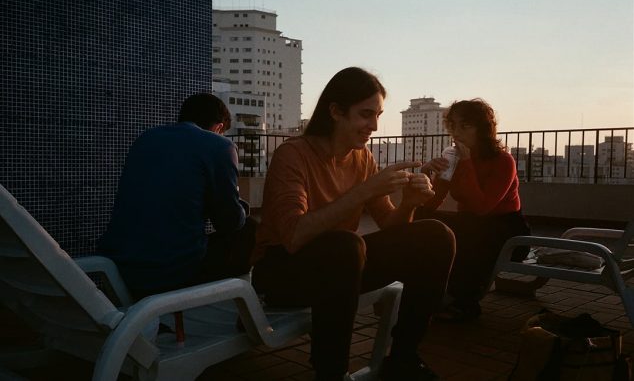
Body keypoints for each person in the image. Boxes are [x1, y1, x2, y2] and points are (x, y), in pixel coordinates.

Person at [250, 67, 456, 381]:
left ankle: (402, 359)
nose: (373, 125)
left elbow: (390, 224)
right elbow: (294, 236)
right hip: (281, 273)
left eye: (378, 115)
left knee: (436, 236)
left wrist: (410, 204)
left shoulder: (362, 160)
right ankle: (330, 373)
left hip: (339, 268)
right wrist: (365, 190)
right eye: (365, 114)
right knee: (346, 245)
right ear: (335, 111)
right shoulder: (292, 155)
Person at [98, 93, 253, 300]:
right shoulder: (219, 146)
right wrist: (242, 208)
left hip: (117, 267)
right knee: (251, 231)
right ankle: (243, 312)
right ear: (219, 126)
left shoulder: (147, 138)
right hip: (169, 272)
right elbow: (229, 222)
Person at [416, 98, 530, 321]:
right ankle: (422, 287)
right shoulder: (454, 159)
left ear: (482, 129)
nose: (456, 133)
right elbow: (431, 203)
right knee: (424, 220)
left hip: (506, 230)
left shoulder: (503, 161)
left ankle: (463, 303)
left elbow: (482, 207)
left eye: (464, 126)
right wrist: (428, 174)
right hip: (472, 225)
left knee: (469, 232)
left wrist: (466, 162)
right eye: (453, 126)